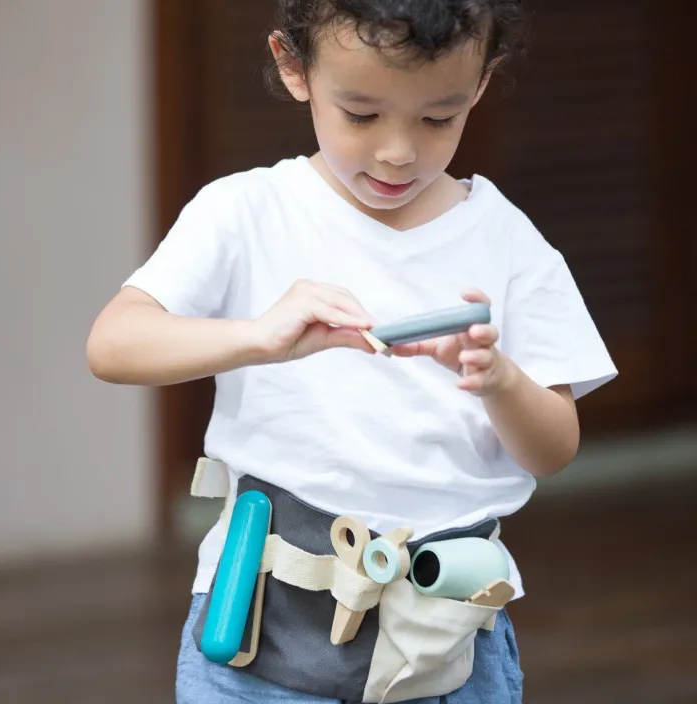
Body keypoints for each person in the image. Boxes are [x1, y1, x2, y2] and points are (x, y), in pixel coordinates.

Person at [87, 1, 617, 702]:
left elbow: (553, 450)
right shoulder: (247, 211)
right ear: (294, 67)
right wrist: (258, 337)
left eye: (438, 118)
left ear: (480, 85)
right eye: (361, 115)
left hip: (446, 636)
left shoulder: (508, 240)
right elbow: (113, 344)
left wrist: (499, 380)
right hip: (259, 632)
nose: (399, 151)